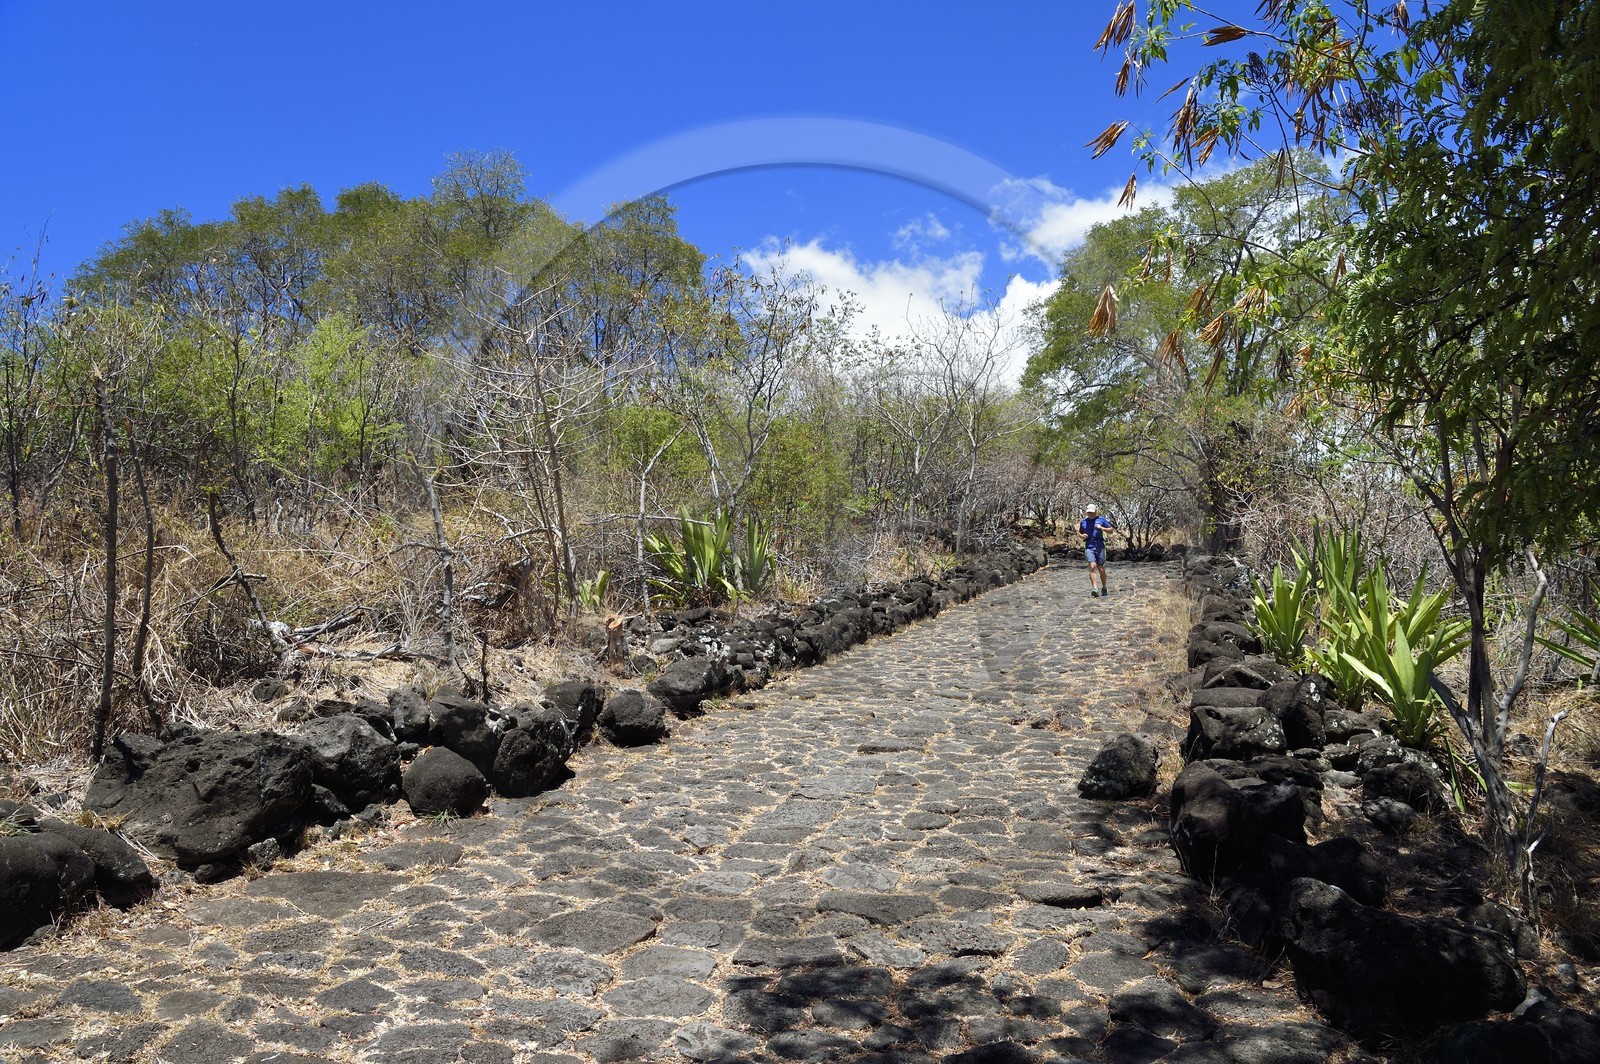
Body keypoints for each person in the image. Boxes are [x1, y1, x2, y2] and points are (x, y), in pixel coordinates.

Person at [1079, 504, 1115, 597]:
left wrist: (1102, 528)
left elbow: (1111, 530)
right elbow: (1080, 532)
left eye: (1092, 512)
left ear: (1095, 512)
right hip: (1089, 546)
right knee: (1092, 566)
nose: (1090, 514)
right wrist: (1081, 536)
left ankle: (1104, 587)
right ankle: (1095, 588)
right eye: (1089, 512)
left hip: (1100, 546)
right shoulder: (1083, 522)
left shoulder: (1101, 520)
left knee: (1101, 568)